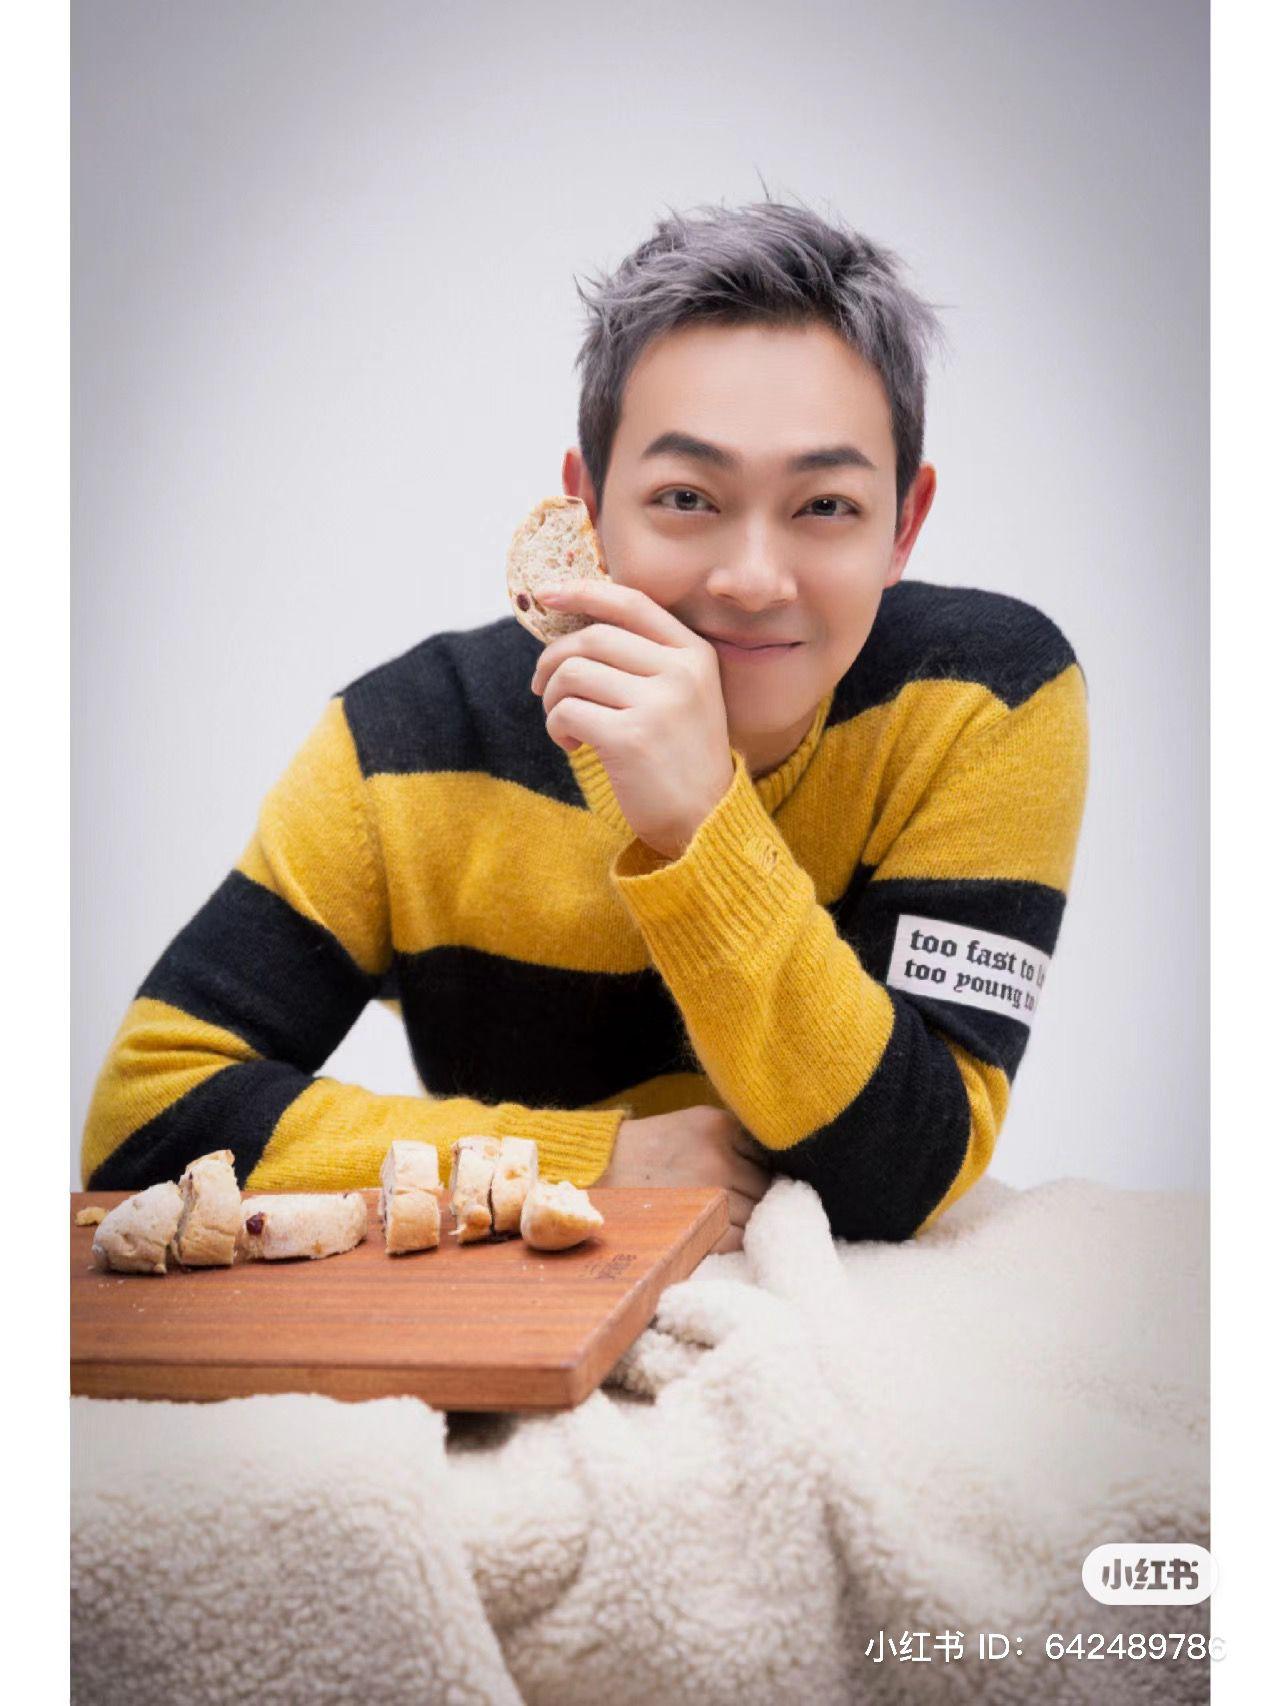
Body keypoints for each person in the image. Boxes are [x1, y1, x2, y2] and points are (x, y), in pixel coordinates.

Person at [81, 196, 1089, 1255]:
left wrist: (701, 823)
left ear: (904, 523)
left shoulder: (984, 698)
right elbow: (144, 1127)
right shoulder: (404, 741)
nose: (753, 579)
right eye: (686, 497)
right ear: (587, 510)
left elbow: (901, 1172)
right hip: (527, 1319)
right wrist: (585, 1159)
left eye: (825, 505)